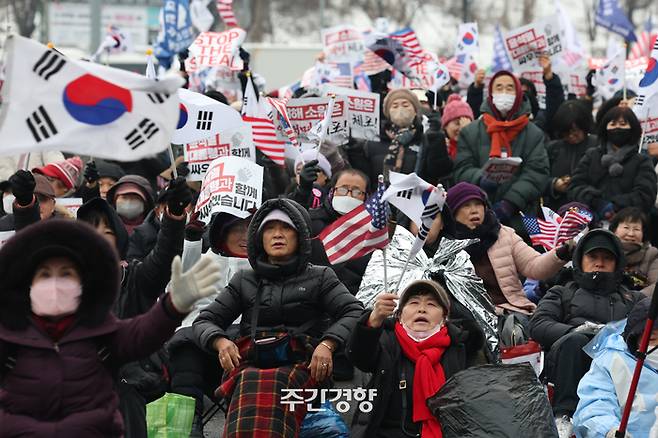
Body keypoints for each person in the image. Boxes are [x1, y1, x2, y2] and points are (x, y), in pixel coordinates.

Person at [0, 219, 221, 437]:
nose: (56, 284)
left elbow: (143, 332)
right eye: (45, 275)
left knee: (125, 389)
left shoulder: (99, 329)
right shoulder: (12, 333)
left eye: (66, 274)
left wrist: (173, 306)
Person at [192, 198, 363, 438]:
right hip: (252, 364)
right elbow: (204, 321)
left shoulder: (322, 276)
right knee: (249, 379)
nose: (277, 234)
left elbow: (354, 311)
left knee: (280, 383)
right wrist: (220, 341)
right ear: (259, 238)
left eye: (286, 228)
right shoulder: (244, 280)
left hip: (302, 365)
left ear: (300, 236)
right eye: (269, 229)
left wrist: (328, 344)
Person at [529, 229, 644, 438]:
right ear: (580, 260)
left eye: (607, 258)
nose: (599, 263)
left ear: (617, 264)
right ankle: (564, 416)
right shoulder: (562, 291)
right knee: (576, 341)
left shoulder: (633, 298)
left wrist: (611, 337)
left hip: (618, 359)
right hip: (571, 355)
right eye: (593, 256)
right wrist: (576, 330)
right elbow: (538, 324)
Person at [347, 280, 482, 437]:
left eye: (431, 304)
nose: (422, 309)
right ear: (400, 315)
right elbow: (359, 357)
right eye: (414, 303)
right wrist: (373, 320)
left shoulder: (460, 346)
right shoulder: (387, 341)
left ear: (444, 318)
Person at [168, 211, 252, 436]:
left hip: (246, 351)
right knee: (184, 345)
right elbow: (176, 298)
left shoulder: (266, 265)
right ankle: (187, 427)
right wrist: (192, 243)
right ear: (222, 232)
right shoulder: (205, 260)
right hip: (200, 347)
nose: (244, 237)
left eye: (249, 229)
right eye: (237, 230)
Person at [446, 182, 570, 317]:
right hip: (470, 317)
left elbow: (534, 265)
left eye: (478, 204)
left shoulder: (504, 234)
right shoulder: (445, 245)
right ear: (453, 212)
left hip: (513, 311)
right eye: (466, 205)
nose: (474, 210)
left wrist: (560, 254)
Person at [454, 70, 549, 232]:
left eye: (509, 88)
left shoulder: (533, 134)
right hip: (477, 221)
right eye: (499, 87)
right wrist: (481, 178)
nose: (504, 92)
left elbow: (537, 173)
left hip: (521, 221)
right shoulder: (470, 132)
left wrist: (511, 202)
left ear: (518, 93)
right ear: (491, 93)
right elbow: (461, 170)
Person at [572, 298, 658, 438]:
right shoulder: (612, 361)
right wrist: (609, 430)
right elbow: (595, 405)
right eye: (652, 339)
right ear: (634, 339)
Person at [568, 106, 657, 221]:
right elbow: (575, 186)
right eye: (613, 124)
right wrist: (597, 202)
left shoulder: (642, 161)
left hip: (627, 224)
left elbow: (646, 195)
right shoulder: (592, 155)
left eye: (623, 124)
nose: (617, 128)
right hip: (590, 221)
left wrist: (616, 206)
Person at [309, 168, 372, 295]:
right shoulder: (311, 221)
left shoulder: (372, 235)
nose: (348, 195)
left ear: (366, 197)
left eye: (356, 192)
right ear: (332, 191)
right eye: (343, 189)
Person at [345, 88, 425, 184]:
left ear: (415, 111)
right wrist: (354, 149)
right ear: (388, 113)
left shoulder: (424, 140)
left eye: (405, 105)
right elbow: (364, 175)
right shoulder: (373, 142)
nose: (400, 109)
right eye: (395, 106)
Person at [544, 100, 598, 211]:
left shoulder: (598, 146)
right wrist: (554, 184)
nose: (571, 136)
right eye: (566, 133)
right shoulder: (553, 149)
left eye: (575, 131)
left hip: (591, 208)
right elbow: (539, 176)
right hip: (558, 211)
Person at [416, 93, 470, 187]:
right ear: (446, 126)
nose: (461, 128)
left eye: (465, 123)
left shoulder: (475, 146)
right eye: (457, 123)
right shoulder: (442, 146)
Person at [610, 207, 658, 297]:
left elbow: (655, 285)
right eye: (626, 227)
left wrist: (633, 299)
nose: (631, 233)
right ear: (614, 229)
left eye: (636, 229)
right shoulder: (604, 250)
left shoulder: (652, 254)